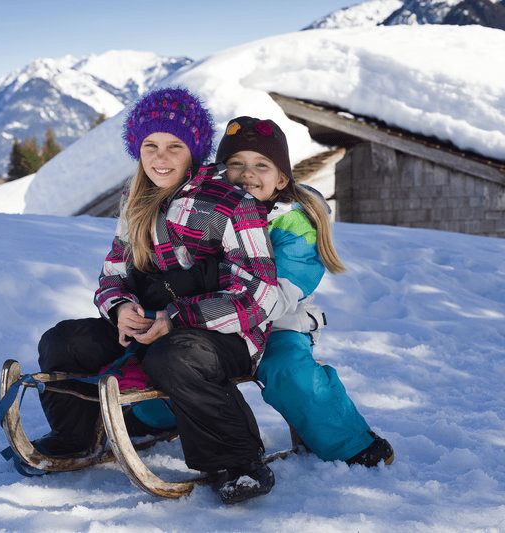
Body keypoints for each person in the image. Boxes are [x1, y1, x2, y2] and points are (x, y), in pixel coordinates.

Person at [34, 88, 280, 504]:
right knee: (62, 341)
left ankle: (237, 461)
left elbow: (260, 295)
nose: (160, 158)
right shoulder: (134, 202)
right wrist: (119, 308)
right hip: (149, 326)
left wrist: (179, 318)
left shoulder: (229, 205)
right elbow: (113, 273)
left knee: (175, 355)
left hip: (222, 335)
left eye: (174, 146)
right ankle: (75, 437)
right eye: (150, 145)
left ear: (194, 151)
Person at [144, 115, 392, 466]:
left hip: (277, 324)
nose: (247, 173)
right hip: (213, 320)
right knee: (168, 359)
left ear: (281, 180)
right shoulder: (209, 216)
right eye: (235, 164)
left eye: (262, 165)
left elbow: (277, 295)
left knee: (286, 370)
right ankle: (150, 419)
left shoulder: (292, 225)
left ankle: (351, 444)